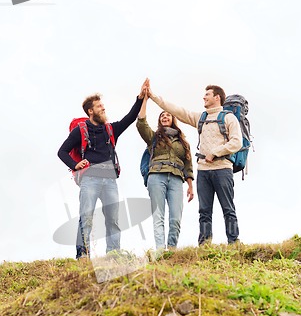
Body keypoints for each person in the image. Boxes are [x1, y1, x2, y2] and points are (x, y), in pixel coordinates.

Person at [58, 81, 147, 258]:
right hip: (89, 179)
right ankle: (83, 255)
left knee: (113, 219)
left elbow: (129, 118)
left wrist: (140, 98)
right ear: (90, 111)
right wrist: (75, 165)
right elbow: (62, 151)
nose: (103, 108)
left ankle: (113, 254)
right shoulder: (80, 131)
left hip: (110, 180)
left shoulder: (111, 129)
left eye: (103, 105)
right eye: (99, 106)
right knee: (87, 217)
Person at [146, 81, 242, 245]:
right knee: (204, 210)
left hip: (223, 168)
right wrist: (153, 96)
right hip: (203, 170)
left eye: (207, 94)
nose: (204, 97)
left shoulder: (229, 118)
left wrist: (215, 152)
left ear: (217, 97)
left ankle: (233, 242)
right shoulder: (200, 118)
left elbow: (236, 142)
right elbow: (177, 110)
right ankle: (205, 244)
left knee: (228, 208)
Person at [136, 90, 194, 251]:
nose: (165, 117)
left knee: (175, 218)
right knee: (158, 216)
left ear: (173, 119)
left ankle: (172, 249)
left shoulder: (183, 142)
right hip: (156, 176)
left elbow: (188, 166)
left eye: (168, 115)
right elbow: (141, 123)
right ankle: (161, 251)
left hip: (176, 178)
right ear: (160, 121)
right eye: (162, 116)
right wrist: (145, 100)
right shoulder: (154, 137)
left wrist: (190, 186)